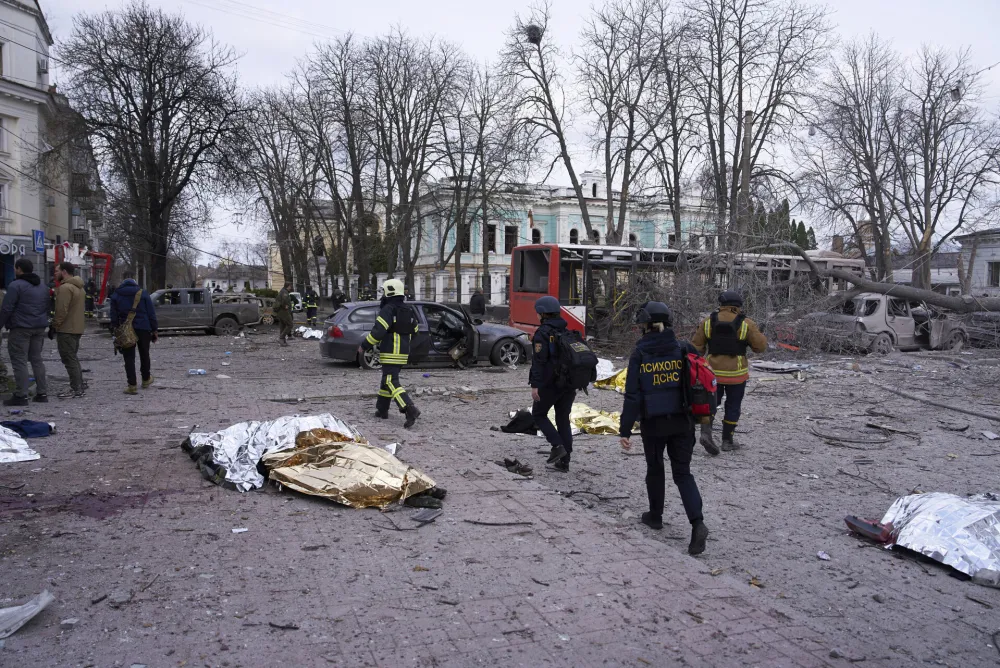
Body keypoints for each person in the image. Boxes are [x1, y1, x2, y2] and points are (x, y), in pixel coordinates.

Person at [618, 301, 709, 555]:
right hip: (683, 422)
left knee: (655, 468)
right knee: (683, 474)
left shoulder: (640, 353)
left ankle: (655, 516)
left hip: (654, 424)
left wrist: (625, 430)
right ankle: (698, 524)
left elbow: (633, 395)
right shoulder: (683, 348)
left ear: (646, 326)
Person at [691, 290, 767, 453]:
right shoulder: (746, 323)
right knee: (733, 406)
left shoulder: (707, 322)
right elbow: (760, 347)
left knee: (711, 404)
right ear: (738, 306)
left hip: (712, 374)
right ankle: (727, 441)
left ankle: (706, 433)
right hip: (737, 375)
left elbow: (696, 348)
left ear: (721, 304)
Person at [359, 278, 421, 428]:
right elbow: (415, 330)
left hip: (390, 351)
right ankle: (382, 410)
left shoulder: (388, 309)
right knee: (386, 380)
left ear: (390, 292)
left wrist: (364, 345)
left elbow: (378, 331)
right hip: (403, 352)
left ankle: (409, 409)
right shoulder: (408, 310)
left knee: (390, 381)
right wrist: (404, 342)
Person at [529, 296, 575, 472]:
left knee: (538, 414)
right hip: (569, 384)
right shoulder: (566, 331)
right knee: (563, 419)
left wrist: (535, 385)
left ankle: (557, 445)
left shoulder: (542, 333)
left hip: (550, 384)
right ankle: (564, 462)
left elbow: (539, 362)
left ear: (542, 313)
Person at [0, 259, 50, 405]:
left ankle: (21, 395)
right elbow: (47, 306)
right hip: (39, 327)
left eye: (15, 268)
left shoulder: (15, 285)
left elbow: (7, 308)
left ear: (19, 269)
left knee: (19, 360)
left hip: (21, 328)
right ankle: (42, 393)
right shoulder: (42, 286)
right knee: (36, 359)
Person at [109, 271, 158, 394]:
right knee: (144, 354)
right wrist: (154, 329)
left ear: (123, 280)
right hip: (143, 327)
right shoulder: (143, 293)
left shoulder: (116, 294)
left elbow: (113, 316)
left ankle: (132, 385)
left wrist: (115, 329)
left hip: (125, 329)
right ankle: (146, 379)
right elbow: (151, 313)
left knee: (128, 357)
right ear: (134, 280)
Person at [52, 262, 86, 398]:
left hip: (66, 328)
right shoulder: (79, 287)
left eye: (57, 271)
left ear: (64, 272)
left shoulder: (65, 288)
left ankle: (76, 388)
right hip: (76, 328)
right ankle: (79, 385)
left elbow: (61, 310)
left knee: (69, 359)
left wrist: (55, 325)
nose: (55, 273)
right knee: (73, 358)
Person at [274, 281, 294, 346]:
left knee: (282, 326)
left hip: (280, 312)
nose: (291, 287)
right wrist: (285, 306)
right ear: (288, 286)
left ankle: (283, 341)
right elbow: (284, 301)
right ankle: (281, 338)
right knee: (290, 324)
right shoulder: (284, 292)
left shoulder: (282, 291)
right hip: (283, 311)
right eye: (290, 286)